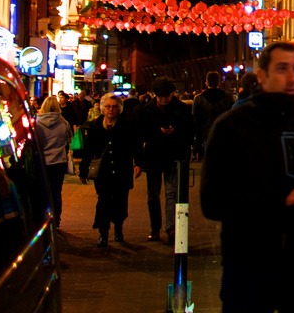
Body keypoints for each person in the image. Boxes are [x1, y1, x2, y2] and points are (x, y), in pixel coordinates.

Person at [200, 41, 294, 313]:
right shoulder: (231, 126)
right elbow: (212, 201)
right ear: (262, 76)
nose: (291, 76)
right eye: (281, 68)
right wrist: (282, 200)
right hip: (247, 263)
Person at [78, 93, 142, 246]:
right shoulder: (94, 126)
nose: (111, 110)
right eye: (108, 107)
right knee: (104, 201)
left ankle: (118, 230)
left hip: (122, 170)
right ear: (102, 109)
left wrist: (138, 163)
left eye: (114, 107)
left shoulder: (126, 126)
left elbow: (135, 146)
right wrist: (83, 170)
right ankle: (103, 232)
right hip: (103, 171)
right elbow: (88, 150)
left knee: (120, 202)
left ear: (119, 109)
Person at [141, 76, 194, 243]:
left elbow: (189, 131)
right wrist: (159, 132)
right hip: (154, 157)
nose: (163, 99)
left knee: (171, 193)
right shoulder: (147, 110)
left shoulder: (181, 109)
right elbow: (142, 132)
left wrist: (175, 131)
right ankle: (155, 227)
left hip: (173, 156)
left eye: (166, 95)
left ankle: (171, 228)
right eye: (160, 96)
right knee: (153, 195)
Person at [35, 95, 72, 227]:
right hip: (59, 162)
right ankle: (56, 219)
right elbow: (68, 141)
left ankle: (43, 218)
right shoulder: (64, 123)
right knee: (56, 191)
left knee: (42, 191)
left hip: (42, 162)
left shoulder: (37, 123)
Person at [192, 72, 234, 159]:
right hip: (224, 134)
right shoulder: (228, 98)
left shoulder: (199, 99)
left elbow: (196, 120)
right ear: (219, 82)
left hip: (206, 134)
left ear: (206, 83)